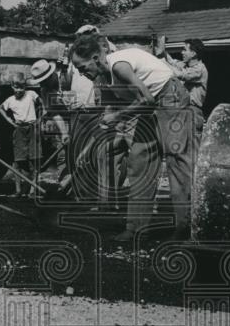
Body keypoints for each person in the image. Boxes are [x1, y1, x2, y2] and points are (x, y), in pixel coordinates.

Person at [70, 33, 193, 241]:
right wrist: (87, 147)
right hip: (148, 106)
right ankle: (135, 228)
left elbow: (147, 99)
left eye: (82, 68)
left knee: (176, 159)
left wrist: (117, 115)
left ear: (95, 59)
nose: (82, 74)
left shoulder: (119, 66)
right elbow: (108, 115)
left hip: (170, 96)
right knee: (139, 161)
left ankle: (185, 227)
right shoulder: (102, 77)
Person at [155, 36, 208, 151]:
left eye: (185, 50)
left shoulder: (199, 69)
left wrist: (161, 59)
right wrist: (163, 51)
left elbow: (179, 74)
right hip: (183, 109)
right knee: (181, 145)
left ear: (193, 53)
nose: (182, 52)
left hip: (193, 110)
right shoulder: (185, 65)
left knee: (192, 146)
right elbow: (172, 61)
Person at [0, 73, 42, 198]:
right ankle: (18, 190)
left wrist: (40, 119)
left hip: (32, 128)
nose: (19, 90)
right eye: (16, 87)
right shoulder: (10, 100)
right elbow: (0, 108)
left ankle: (33, 191)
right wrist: (10, 121)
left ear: (25, 87)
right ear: (12, 86)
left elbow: (43, 104)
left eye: (22, 87)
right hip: (19, 130)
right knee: (18, 161)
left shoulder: (31, 95)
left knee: (35, 159)